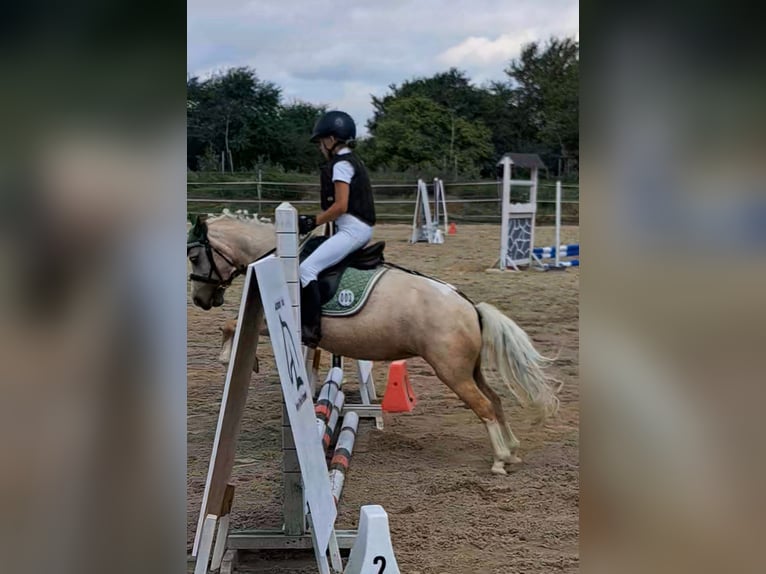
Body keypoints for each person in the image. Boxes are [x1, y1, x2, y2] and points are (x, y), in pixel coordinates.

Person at [297, 110, 376, 348]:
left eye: (321, 141)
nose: (320, 146)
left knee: (306, 268)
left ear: (331, 139)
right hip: (355, 227)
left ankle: (310, 329)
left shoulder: (341, 165)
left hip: (353, 229)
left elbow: (340, 206)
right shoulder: (353, 160)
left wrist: (314, 221)